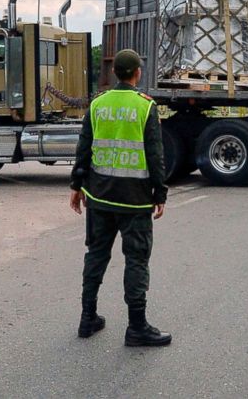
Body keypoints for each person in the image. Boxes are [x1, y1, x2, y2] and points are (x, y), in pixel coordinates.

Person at [70, 49, 171, 346]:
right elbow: (155, 154)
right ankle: (137, 327)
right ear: (137, 73)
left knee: (96, 256)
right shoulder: (145, 107)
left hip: (99, 197)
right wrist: (160, 191)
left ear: (114, 73)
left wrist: (76, 186)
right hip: (135, 200)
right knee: (136, 260)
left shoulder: (98, 104)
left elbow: (83, 147)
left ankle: (87, 318)